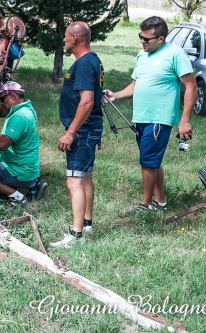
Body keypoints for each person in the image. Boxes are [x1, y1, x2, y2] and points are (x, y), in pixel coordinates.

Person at [104, 16, 196, 213]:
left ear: (161, 39)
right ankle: (160, 201)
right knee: (153, 161)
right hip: (142, 117)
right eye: (141, 37)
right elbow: (137, 84)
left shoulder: (176, 54)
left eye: (147, 39)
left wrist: (184, 120)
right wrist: (116, 95)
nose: (142, 42)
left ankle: (145, 205)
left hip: (159, 117)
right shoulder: (142, 55)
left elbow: (191, 86)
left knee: (147, 162)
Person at [51, 21, 104, 249]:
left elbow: (87, 101)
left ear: (74, 38)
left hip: (82, 130)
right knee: (86, 176)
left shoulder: (83, 64)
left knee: (74, 180)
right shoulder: (93, 60)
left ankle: (75, 234)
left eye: (65, 36)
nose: (63, 40)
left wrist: (70, 132)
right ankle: (87, 222)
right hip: (90, 128)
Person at [0, 81, 46, 208]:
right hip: (30, 169)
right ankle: (33, 185)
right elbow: (1, 111)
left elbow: (1, 145)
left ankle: (17, 197)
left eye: (2, 99)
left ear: (12, 97)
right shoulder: (26, 108)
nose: (0, 103)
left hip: (15, 170)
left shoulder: (18, 117)